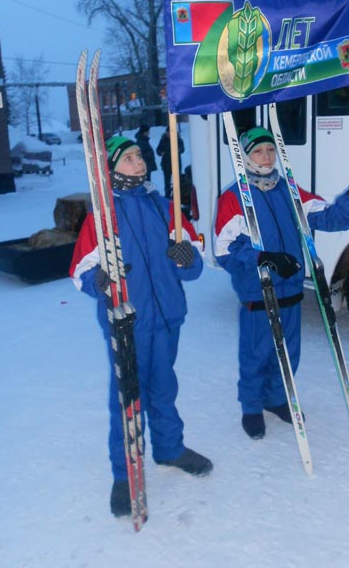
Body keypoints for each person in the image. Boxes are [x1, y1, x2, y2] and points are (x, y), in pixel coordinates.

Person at [70, 135, 212, 519]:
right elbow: (80, 271)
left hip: (167, 316)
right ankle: (125, 472)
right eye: (129, 157)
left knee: (163, 388)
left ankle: (169, 448)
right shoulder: (101, 217)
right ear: (112, 168)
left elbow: (196, 262)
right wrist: (98, 280)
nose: (139, 162)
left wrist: (187, 258)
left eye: (139, 156)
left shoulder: (165, 207)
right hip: (127, 322)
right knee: (127, 397)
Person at [214, 127, 349, 440]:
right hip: (257, 291)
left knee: (289, 353)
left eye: (271, 150)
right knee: (257, 353)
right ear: (245, 157)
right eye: (259, 151)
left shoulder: (289, 190)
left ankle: (276, 399)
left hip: (290, 289)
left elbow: (331, 219)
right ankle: (251, 407)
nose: (266, 156)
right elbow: (224, 250)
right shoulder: (235, 197)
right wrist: (263, 258)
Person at [156, 125, 185, 198]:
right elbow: (158, 150)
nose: (168, 133)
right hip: (166, 164)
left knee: (177, 181)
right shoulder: (163, 140)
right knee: (167, 182)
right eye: (167, 132)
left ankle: (177, 195)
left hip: (176, 164)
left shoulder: (178, 140)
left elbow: (182, 149)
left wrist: (179, 150)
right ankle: (167, 195)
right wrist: (160, 152)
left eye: (170, 132)